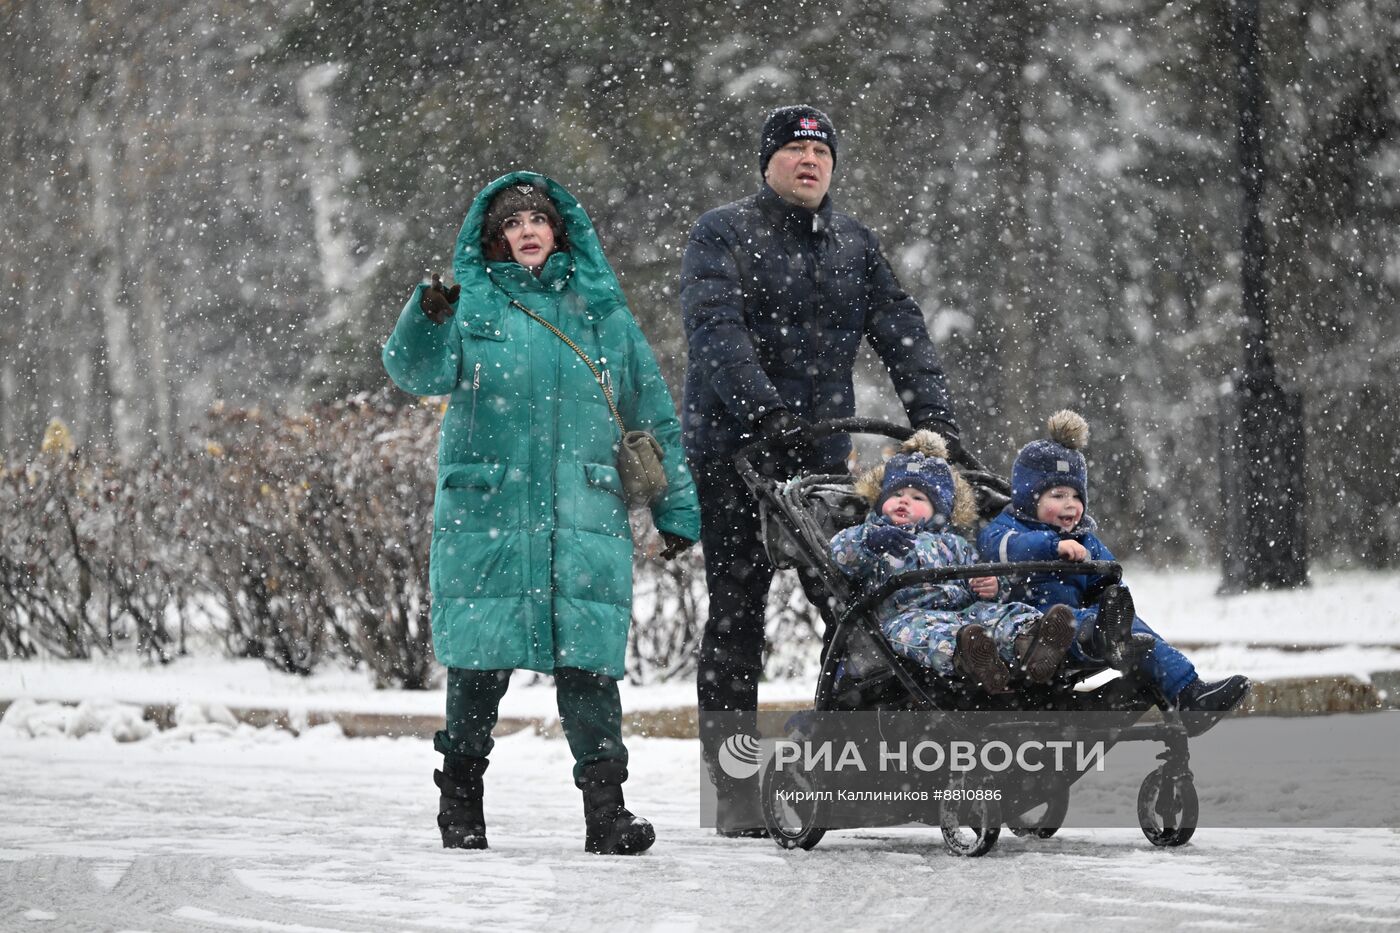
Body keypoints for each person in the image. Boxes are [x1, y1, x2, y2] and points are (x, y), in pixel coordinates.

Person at [382, 172, 701, 855]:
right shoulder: (468, 307)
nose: (527, 229)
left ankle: (607, 812)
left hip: (584, 513)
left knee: (590, 668)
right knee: (477, 666)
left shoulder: (600, 312)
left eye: (538, 219)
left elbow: (651, 413)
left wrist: (676, 508)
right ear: (495, 238)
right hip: (488, 511)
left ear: (560, 232)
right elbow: (414, 371)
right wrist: (426, 311)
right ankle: (460, 801)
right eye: (513, 222)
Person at [679, 105, 968, 831]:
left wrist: (936, 418)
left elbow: (902, 330)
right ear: (767, 162)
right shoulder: (723, 233)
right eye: (795, 149)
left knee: (853, 606)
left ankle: (867, 762)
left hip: (819, 459)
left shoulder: (853, 245)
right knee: (739, 615)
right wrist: (764, 409)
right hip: (735, 453)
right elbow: (716, 332)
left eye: (822, 151)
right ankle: (735, 791)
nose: (810, 159)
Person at [977, 410, 1250, 730]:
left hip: (1086, 615)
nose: (1070, 505)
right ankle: (1107, 635)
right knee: (1078, 622)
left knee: (1139, 632)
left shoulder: (1083, 537)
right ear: (1027, 498)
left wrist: (1109, 588)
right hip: (1036, 622)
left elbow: (1105, 570)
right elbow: (1007, 548)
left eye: (1077, 496)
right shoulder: (1005, 528)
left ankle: (1189, 694)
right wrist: (1052, 546)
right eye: (1058, 495)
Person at [830, 431, 1077, 692]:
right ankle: (970, 658)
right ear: (881, 501)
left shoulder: (953, 544)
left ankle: (1031, 643)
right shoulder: (872, 534)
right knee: (928, 636)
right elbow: (841, 555)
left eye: (918, 498)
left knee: (1003, 614)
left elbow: (977, 577)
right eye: (897, 493)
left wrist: (991, 586)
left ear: (940, 512)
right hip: (906, 615)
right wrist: (870, 543)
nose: (904, 500)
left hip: (964, 614)